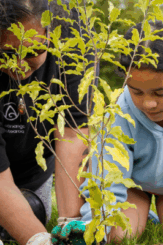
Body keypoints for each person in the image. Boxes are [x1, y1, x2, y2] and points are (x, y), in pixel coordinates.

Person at [51, 21, 163, 244]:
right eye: (136, 91)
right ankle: (144, 214)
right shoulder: (120, 109)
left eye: (160, 92)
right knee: (119, 235)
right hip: (133, 186)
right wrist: (95, 227)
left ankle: (153, 217)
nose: (148, 104)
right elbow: (108, 178)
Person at [0, 0, 97, 244]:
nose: (20, 67)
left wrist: (70, 223)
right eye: (8, 54)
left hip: (34, 167)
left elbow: (72, 133)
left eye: (33, 52)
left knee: (34, 211)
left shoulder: (73, 36)